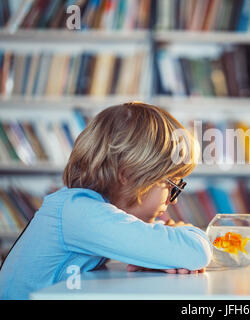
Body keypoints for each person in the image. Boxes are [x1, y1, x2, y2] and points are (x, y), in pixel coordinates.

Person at [0, 102, 212, 299]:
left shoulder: (87, 209)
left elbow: (170, 247)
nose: (173, 202)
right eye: (173, 186)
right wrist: (176, 240)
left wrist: (162, 251)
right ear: (128, 174)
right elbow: (196, 252)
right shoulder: (81, 213)